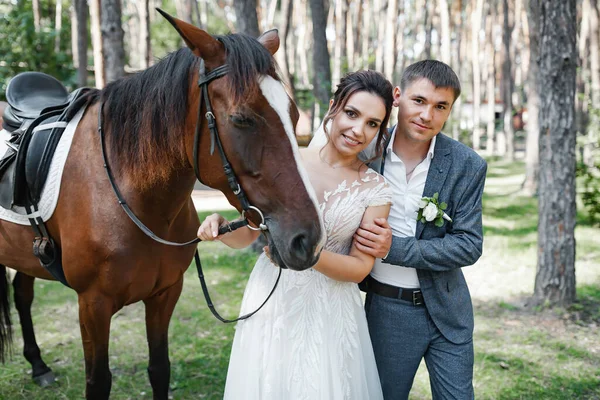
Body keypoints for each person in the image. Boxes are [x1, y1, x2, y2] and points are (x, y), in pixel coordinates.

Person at [197, 70, 394, 399]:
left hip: (330, 311)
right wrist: (219, 229)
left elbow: (361, 267)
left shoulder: (375, 190)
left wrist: (308, 256)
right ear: (333, 107)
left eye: (373, 123)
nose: (359, 130)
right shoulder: (285, 162)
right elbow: (248, 234)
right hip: (272, 301)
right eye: (352, 113)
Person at [353, 60, 487, 399]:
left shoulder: (467, 165)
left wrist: (393, 248)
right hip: (387, 312)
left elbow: (469, 245)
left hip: (448, 310)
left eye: (440, 106)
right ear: (397, 96)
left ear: (449, 111)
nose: (428, 115)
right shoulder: (365, 154)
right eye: (419, 101)